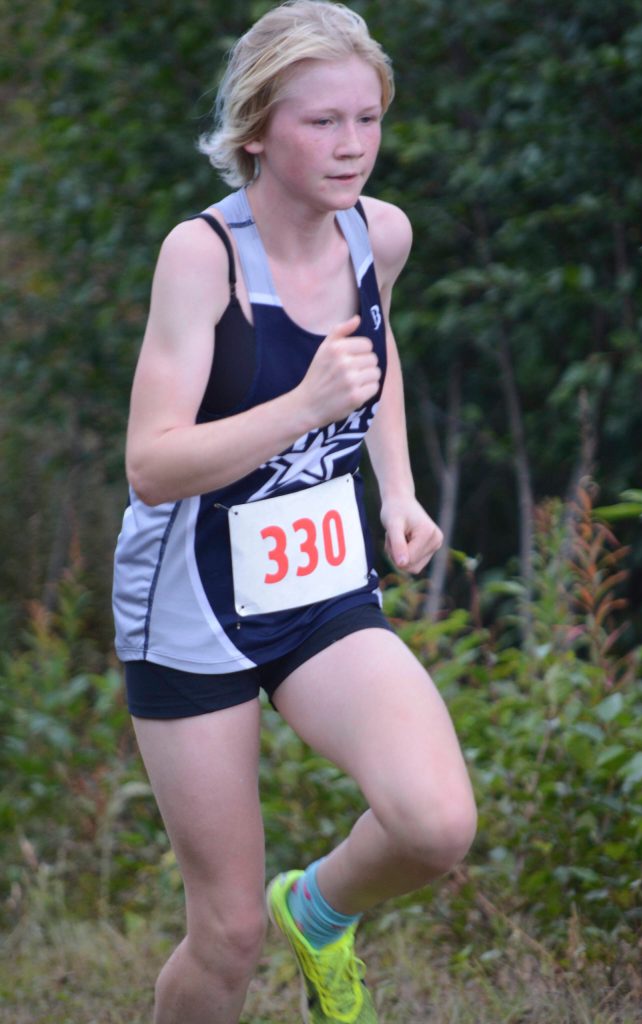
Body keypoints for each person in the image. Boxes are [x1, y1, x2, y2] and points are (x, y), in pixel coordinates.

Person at [112, 2, 477, 1022]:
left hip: (318, 583)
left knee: (434, 821)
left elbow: (374, 352)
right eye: (323, 122)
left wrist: (394, 487)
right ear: (257, 130)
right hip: (192, 604)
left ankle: (316, 913)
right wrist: (301, 408)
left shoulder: (379, 233)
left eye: (367, 119)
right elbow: (150, 465)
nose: (351, 145)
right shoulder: (203, 257)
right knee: (224, 934)